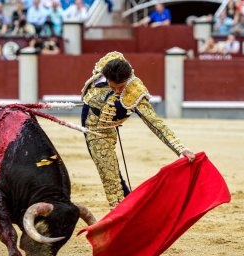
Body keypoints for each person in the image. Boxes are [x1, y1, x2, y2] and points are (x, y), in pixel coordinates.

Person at [81, 52, 195, 208]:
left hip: (103, 128)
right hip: (92, 123)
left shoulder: (134, 92)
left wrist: (181, 149)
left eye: (120, 87)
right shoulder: (106, 67)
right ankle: (129, 208)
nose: (117, 91)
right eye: (113, 87)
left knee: (112, 181)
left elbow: (155, 123)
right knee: (109, 174)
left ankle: (125, 214)